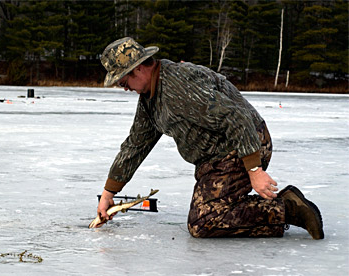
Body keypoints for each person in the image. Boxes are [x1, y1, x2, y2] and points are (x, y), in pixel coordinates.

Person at [96, 37, 324, 239]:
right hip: (216, 159)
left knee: (203, 221)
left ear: (137, 69)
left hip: (244, 144)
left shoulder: (177, 86)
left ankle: (287, 209)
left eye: (123, 82)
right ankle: (276, 210)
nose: (123, 88)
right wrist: (109, 193)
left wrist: (254, 170)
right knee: (206, 218)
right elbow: (136, 145)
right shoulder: (150, 97)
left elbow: (236, 116)